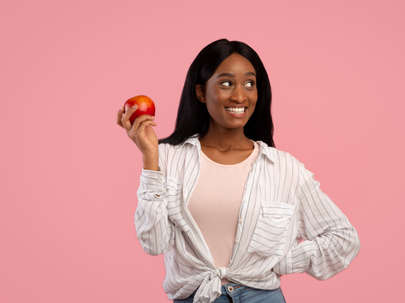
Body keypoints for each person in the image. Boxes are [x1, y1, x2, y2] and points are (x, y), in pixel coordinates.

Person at [116, 38, 360, 303]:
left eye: (249, 83)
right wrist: (150, 157)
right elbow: (153, 243)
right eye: (226, 83)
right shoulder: (169, 159)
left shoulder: (284, 169)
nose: (240, 96)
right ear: (200, 92)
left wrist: (282, 261)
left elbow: (343, 238)